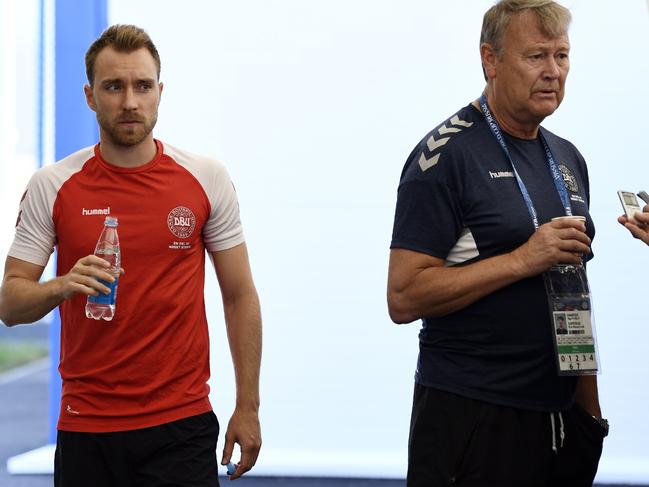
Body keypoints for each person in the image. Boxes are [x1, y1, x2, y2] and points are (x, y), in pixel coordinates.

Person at [0, 25, 261, 487]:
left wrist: (248, 406)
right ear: (89, 96)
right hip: (87, 426)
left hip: (180, 425)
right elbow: (10, 304)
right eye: (113, 87)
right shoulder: (53, 184)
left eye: (142, 86)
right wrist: (61, 285)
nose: (129, 101)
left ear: (160, 92)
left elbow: (239, 296)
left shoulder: (205, 177)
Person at [387, 1, 607, 486]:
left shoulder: (568, 158)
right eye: (536, 57)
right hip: (471, 416)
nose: (553, 72)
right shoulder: (445, 156)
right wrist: (523, 259)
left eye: (562, 56)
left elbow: (572, 288)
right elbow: (403, 297)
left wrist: (591, 415)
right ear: (490, 59)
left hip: (560, 417)